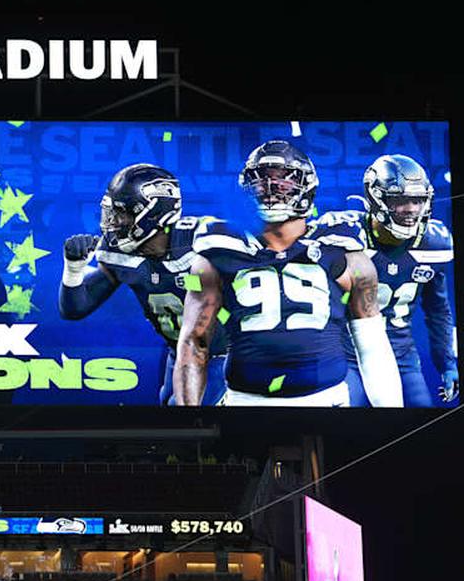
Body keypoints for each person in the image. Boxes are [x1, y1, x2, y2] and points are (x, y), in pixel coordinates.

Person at [175, 140, 402, 406]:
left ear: (307, 186)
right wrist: (189, 416)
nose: (271, 189)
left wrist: (391, 414)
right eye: (262, 180)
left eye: (283, 181)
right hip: (245, 404)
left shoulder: (344, 251)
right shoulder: (216, 252)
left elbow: (372, 345)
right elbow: (194, 342)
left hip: (328, 403)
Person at [59, 163, 227, 405]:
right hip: (179, 354)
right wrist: (73, 268)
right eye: (112, 212)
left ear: (154, 213)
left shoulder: (207, 240)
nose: (114, 222)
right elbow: (75, 308)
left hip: (228, 355)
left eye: (123, 213)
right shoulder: (120, 253)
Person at [308, 154, 457, 405]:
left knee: (419, 416)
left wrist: (447, 362)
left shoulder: (435, 241)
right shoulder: (344, 233)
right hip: (347, 351)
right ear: (376, 199)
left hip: (401, 354)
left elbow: (438, 311)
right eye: (400, 200)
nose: (410, 209)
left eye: (417, 200)